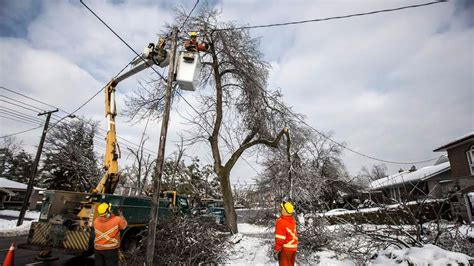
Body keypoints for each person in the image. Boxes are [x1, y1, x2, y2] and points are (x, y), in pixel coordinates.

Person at [273, 201, 298, 266]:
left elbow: (280, 238)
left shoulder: (281, 222)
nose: (279, 209)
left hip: (285, 249)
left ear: (284, 210)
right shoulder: (292, 220)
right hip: (293, 248)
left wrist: (277, 250)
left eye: (281, 208)